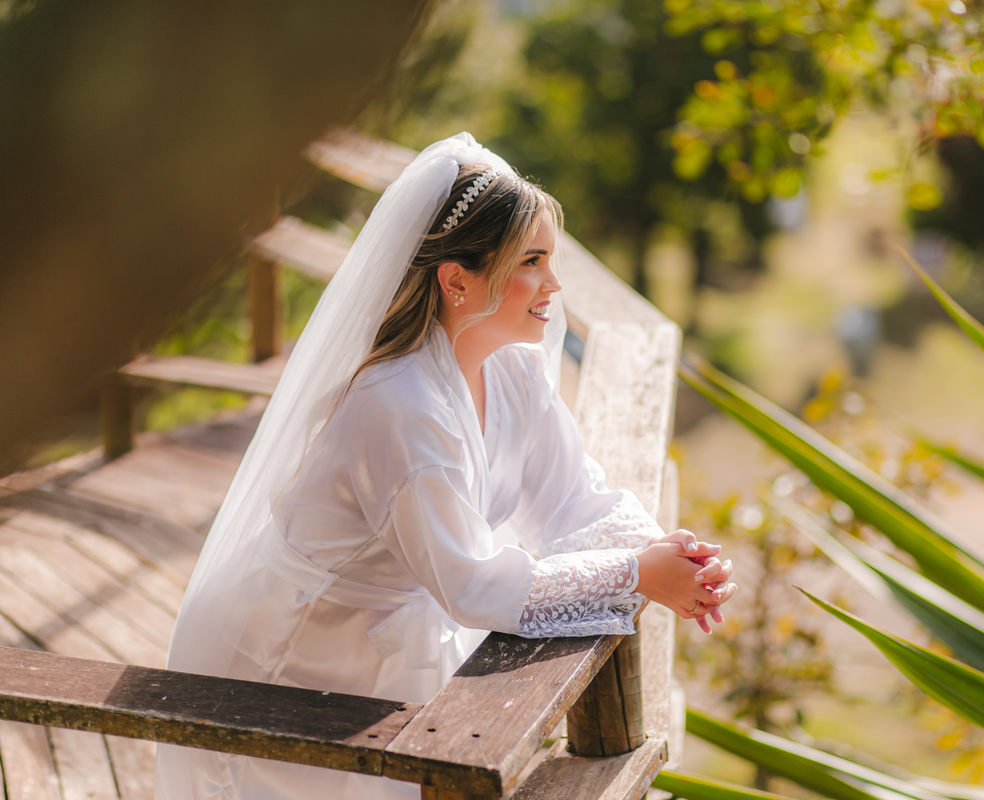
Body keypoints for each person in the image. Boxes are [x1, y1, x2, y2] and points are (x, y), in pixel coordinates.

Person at [154, 133, 736, 799]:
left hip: (394, 645)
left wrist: (670, 554)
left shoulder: (513, 365)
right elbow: (471, 585)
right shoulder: (400, 408)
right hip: (288, 653)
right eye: (533, 261)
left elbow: (576, 497)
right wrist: (637, 575)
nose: (555, 284)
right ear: (458, 279)